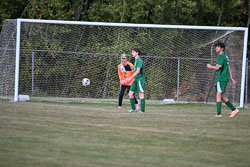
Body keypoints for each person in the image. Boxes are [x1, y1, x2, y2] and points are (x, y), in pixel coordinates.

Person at [207, 42, 239, 118]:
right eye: (216, 47)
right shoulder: (225, 56)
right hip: (223, 78)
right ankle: (234, 109)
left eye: (218, 47)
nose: (216, 48)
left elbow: (218, 68)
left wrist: (210, 66)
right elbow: (228, 68)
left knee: (218, 95)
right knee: (221, 96)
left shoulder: (221, 56)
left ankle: (219, 114)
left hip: (221, 78)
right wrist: (231, 78)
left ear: (222, 48)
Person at [123, 48, 146, 113]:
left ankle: (142, 111)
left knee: (141, 94)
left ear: (137, 53)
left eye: (133, 52)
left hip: (140, 80)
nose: (132, 53)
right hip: (136, 80)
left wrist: (130, 78)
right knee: (130, 94)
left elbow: (138, 71)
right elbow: (135, 70)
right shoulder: (136, 60)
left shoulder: (139, 60)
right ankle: (133, 109)